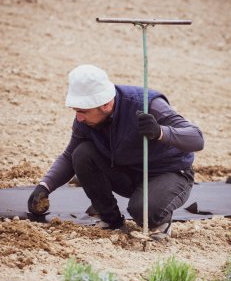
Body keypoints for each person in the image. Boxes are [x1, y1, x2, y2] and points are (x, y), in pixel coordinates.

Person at [28, 64, 204, 240]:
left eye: (83, 111)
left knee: (143, 211)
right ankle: (111, 221)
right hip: (128, 172)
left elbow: (197, 138)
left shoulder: (147, 104)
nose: (79, 118)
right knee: (82, 153)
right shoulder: (84, 120)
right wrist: (45, 186)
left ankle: (159, 221)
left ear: (105, 104)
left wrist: (160, 132)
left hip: (169, 173)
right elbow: (69, 156)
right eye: (76, 111)